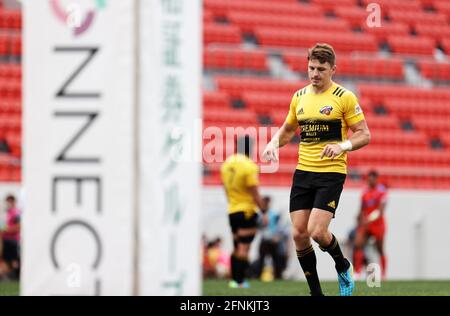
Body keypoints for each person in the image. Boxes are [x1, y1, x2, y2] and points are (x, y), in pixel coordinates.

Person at [263, 43, 371, 296]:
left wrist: (342, 146)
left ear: (333, 69)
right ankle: (316, 293)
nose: (315, 73)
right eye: (311, 67)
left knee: (317, 232)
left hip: (331, 173)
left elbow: (364, 134)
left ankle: (342, 266)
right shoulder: (299, 97)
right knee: (299, 234)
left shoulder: (344, 97)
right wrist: (273, 143)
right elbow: (289, 130)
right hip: (303, 173)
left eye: (321, 69)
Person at [220, 135, 264, 288]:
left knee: (236, 246)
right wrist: (263, 210)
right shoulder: (249, 166)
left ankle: (234, 280)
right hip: (246, 211)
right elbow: (254, 192)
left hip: (232, 210)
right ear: (250, 148)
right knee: (244, 248)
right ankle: (240, 281)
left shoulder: (226, 164)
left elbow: (225, 189)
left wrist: (232, 202)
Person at [353, 170, 388, 279]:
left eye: (373, 177)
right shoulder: (364, 192)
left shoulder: (382, 191)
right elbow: (362, 208)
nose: (370, 180)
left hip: (378, 224)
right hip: (366, 224)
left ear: (376, 179)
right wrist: (359, 218)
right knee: (358, 244)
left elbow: (380, 211)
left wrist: (369, 219)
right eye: (369, 177)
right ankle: (357, 272)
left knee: (380, 248)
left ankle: (383, 274)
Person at [253, 196, 288, 280]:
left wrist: (278, 236)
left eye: (266, 202)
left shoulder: (275, 214)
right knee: (261, 259)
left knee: (276, 259)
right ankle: (258, 276)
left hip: (273, 240)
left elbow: (280, 226)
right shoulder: (260, 214)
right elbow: (258, 226)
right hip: (264, 239)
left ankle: (278, 277)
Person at [0, 194, 21, 280]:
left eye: (10, 201)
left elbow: (18, 227)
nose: (8, 203)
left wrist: (7, 230)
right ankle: (6, 277)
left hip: (13, 240)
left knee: (14, 261)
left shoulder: (16, 213)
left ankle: (16, 277)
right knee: (5, 260)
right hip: (5, 239)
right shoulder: (6, 213)